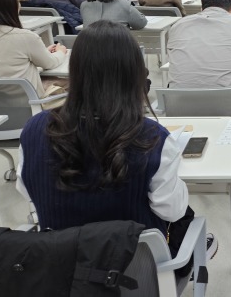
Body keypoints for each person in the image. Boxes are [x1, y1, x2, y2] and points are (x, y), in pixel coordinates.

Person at [14, 20, 214, 274]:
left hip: (62, 271)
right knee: (186, 217)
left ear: (75, 71)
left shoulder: (34, 129)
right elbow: (172, 210)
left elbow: (27, 190)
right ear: (134, 74)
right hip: (137, 274)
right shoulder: (152, 138)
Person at [0, 0, 67, 98]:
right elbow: (51, 63)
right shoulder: (25, 37)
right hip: (32, 104)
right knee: (74, 83)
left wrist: (41, 53)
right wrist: (61, 52)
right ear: (10, 6)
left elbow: (10, 67)